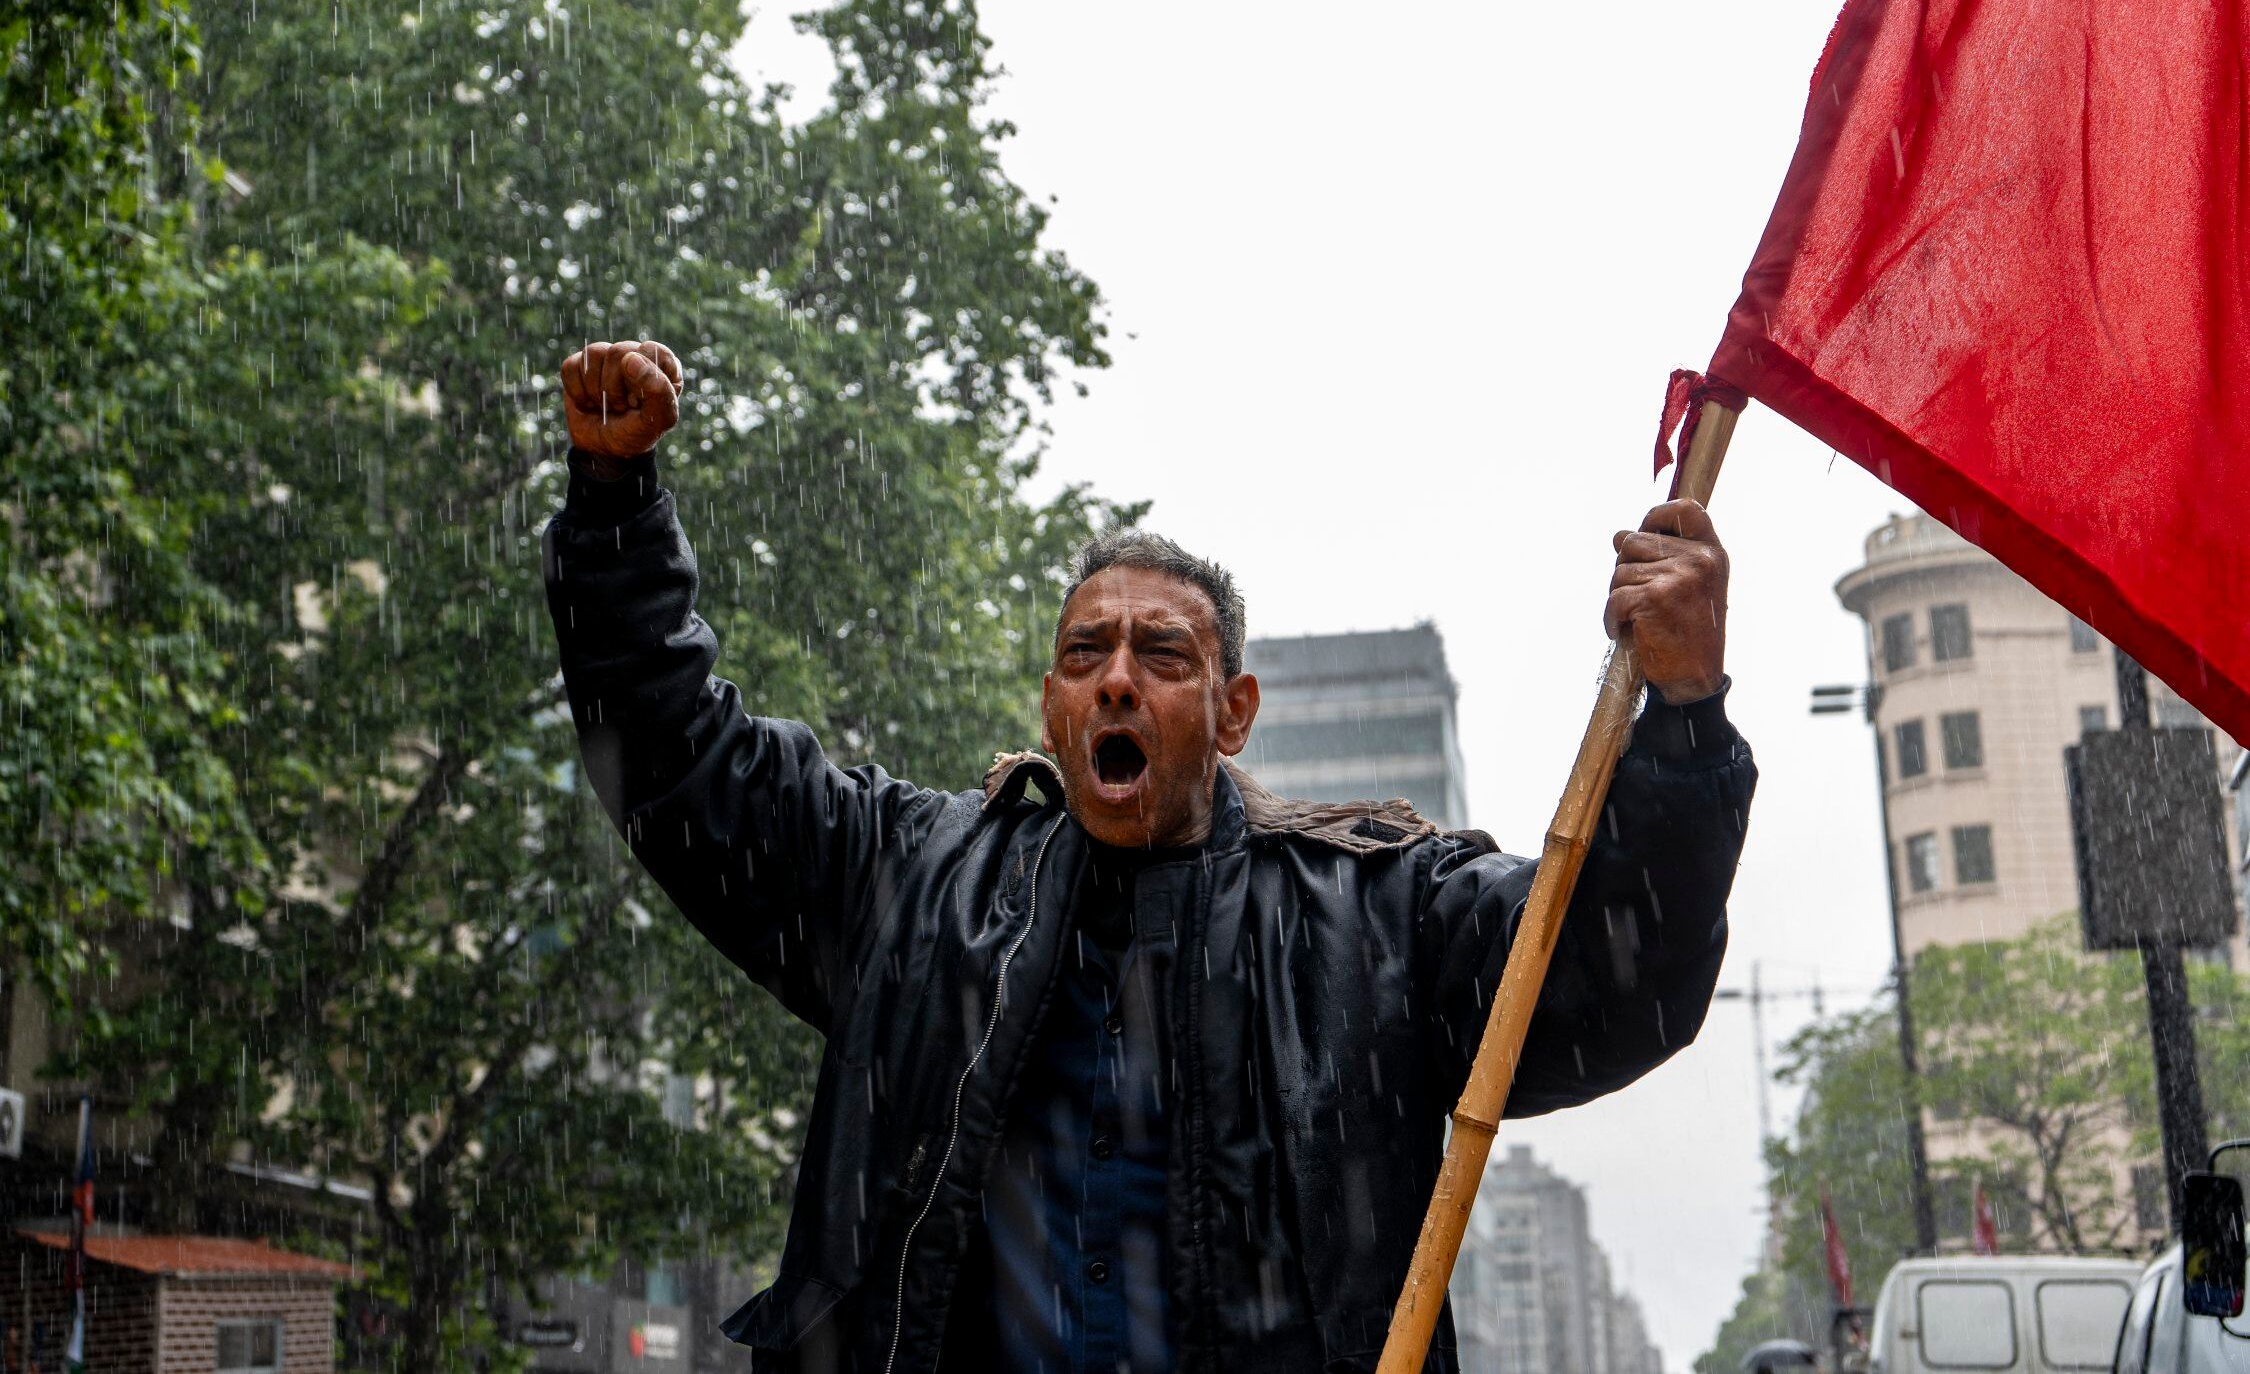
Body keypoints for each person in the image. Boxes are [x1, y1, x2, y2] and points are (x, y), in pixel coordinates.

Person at [543, 341, 1757, 1373]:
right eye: (1086, 653)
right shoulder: (910, 883)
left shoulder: (1381, 914)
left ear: (1233, 713)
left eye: (1161, 656)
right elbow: (679, 761)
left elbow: (1621, 971)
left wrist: (1686, 714)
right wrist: (614, 505)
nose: (1117, 675)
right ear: (1053, 703)